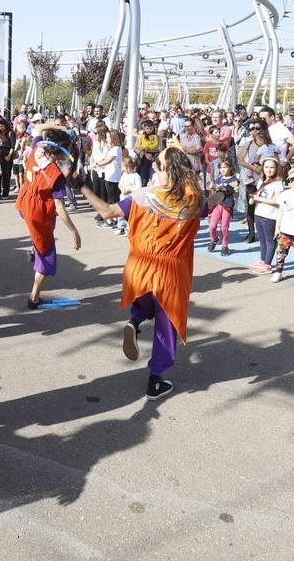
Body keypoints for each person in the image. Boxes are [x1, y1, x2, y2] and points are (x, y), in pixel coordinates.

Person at [77, 147, 222, 400]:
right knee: (166, 325)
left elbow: (107, 212)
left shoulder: (144, 197)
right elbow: (210, 204)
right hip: (170, 272)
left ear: (168, 172)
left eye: (158, 166)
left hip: (139, 266)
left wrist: (82, 186)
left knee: (145, 301)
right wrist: (225, 192)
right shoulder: (191, 203)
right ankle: (155, 380)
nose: (154, 169)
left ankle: (134, 321)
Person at [16, 127, 82, 309]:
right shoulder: (55, 175)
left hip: (24, 201)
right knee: (47, 257)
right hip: (38, 212)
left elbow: (38, 127)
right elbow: (59, 207)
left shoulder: (36, 149)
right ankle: (34, 299)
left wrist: (60, 128)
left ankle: (34, 248)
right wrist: (74, 232)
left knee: (43, 232)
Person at [239, 120, 280, 244]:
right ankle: (251, 233)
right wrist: (253, 167)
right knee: (251, 206)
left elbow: (277, 161)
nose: (254, 131)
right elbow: (240, 160)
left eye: (256, 128)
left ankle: (270, 232)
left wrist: (267, 171)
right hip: (252, 179)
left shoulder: (271, 146)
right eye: (251, 129)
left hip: (268, 180)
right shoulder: (247, 144)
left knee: (268, 205)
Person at [248, 157, 284, 274]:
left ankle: (267, 264)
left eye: (272, 167)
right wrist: (253, 199)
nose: (269, 169)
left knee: (270, 240)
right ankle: (263, 260)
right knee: (262, 239)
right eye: (266, 167)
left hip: (270, 216)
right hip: (259, 213)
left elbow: (276, 200)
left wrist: (259, 199)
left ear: (277, 169)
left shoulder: (278, 183)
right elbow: (258, 194)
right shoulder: (261, 180)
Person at [208, 159, 238, 255]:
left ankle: (225, 246)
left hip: (227, 206)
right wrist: (212, 188)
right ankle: (214, 240)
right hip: (218, 205)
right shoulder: (218, 179)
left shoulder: (234, 180)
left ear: (230, 168)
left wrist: (236, 190)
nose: (222, 169)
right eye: (221, 168)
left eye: (225, 167)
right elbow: (215, 191)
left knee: (224, 228)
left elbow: (236, 195)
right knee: (212, 226)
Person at [134, 120, 161, 186]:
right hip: (142, 152)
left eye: (150, 128)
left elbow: (155, 145)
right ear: (144, 128)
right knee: (140, 164)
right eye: (147, 128)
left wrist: (148, 147)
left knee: (146, 167)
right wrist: (141, 148)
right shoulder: (142, 135)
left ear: (153, 128)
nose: (149, 130)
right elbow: (138, 144)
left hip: (150, 152)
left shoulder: (155, 136)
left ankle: (145, 181)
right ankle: (139, 177)